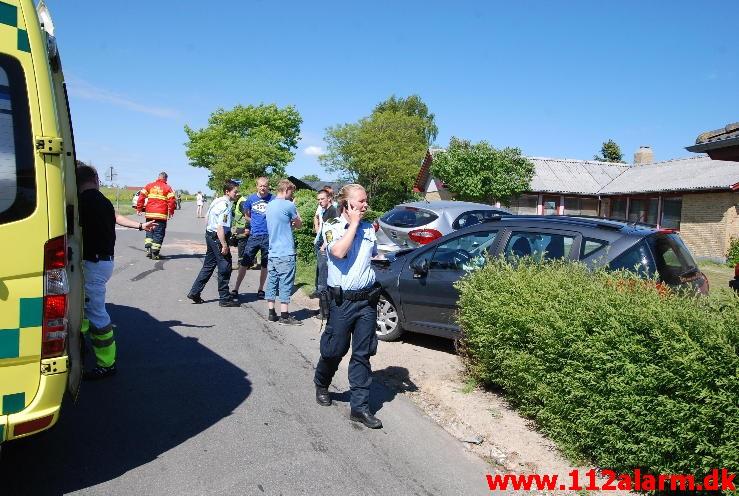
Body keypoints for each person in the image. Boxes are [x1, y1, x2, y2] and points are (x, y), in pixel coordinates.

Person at [313, 184, 383, 429]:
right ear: (347, 204)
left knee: (363, 354)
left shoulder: (369, 228)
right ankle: (322, 382)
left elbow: (372, 256)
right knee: (334, 350)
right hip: (342, 302)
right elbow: (339, 252)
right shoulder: (331, 227)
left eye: (366, 201)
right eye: (361, 201)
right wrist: (353, 223)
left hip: (366, 301)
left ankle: (359, 407)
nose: (365, 205)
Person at [76, 164, 155, 380]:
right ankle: (80, 345)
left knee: (95, 313)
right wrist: (141, 227)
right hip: (102, 263)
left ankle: (107, 363)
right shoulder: (102, 201)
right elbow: (118, 217)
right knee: (83, 307)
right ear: (95, 179)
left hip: (93, 264)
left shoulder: (80, 203)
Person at [187, 181, 241, 307]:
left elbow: (206, 218)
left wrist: (211, 235)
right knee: (225, 266)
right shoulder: (226, 205)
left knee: (208, 265)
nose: (237, 194)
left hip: (210, 235)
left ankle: (195, 292)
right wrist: (224, 245)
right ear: (227, 191)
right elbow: (220, 227)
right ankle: (224, 298)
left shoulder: (216, 201)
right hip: (218, 237)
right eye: (235, 191)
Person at [264, 179, 303, 325]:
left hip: (273, 250)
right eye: (291, 192)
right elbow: (299, 224)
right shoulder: (289, 205)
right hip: (285, 251)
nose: (291, 195)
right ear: (287, 190)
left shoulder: (269, 205)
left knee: (272, 281)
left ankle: (271, 312)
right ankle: (285, 315)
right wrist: (295, 208)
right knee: (286, 283)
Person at [233, 177, 273, 298]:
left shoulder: (273, 199)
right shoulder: (251, 199)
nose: (263, 188)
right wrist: (254, 222)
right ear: (257, 186)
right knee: (245, 263)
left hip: (268, 236)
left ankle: (261, 289)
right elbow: (246, 215)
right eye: (260, 185)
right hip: (254, 236)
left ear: (268, 186)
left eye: (265, 185)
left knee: (265, 265)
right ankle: (235, 289)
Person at [136, 171, 176, 260]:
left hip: (149, 214)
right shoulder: (167, 188)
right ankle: (155, 253)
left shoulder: (149, 186)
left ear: (158, 177)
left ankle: (148, 249)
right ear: (165, 178)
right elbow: (172, 201)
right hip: (161, 215)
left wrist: (139, 208)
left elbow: (141, 196)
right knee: (158, 233)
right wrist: (171, 212)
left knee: (149, 230)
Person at [311, 188, 338, 299]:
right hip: (321, 242)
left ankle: (323, 306)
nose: (320, 201)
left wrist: (324, 245)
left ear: (329, 199)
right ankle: (318, 292)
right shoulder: (324, 211)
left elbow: (333, 230)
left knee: (324, 273)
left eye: (322, 199)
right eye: (318, 199)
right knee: (319, 270)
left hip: (326, 245)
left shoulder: (333, 211)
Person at [229, 191, 251, 277]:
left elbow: (247, 216)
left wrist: (247, 228)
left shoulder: (242, 202)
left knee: (242, 246)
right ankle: (249, 262)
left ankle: (241, 264)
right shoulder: (238, 201)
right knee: (242, 245)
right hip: (239, 228)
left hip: (243, 228)